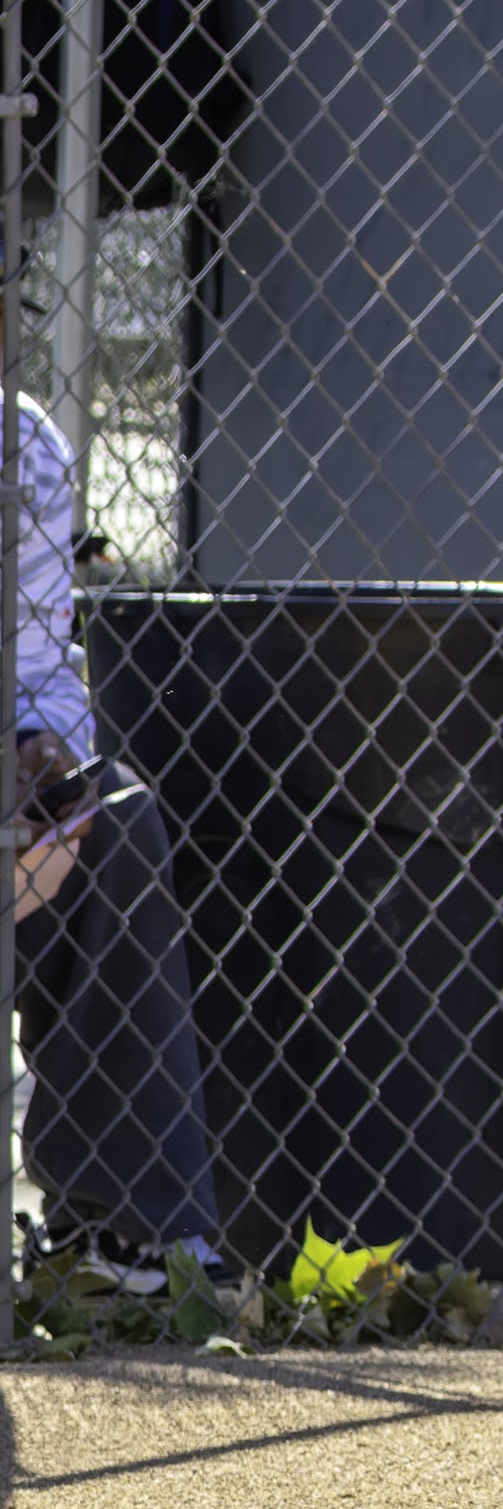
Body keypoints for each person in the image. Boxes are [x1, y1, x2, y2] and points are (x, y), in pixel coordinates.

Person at [5, 396, 224, 1288]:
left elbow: (39, 667)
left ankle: (119, 1230)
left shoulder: (22, 441)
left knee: (116, 818)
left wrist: (37, 752)